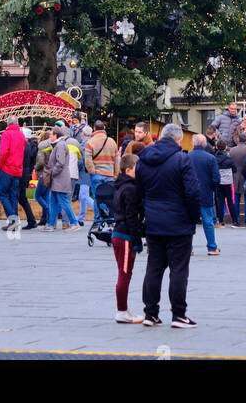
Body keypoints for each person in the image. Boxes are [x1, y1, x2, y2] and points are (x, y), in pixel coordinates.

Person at [135, 123, 201, 328]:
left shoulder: (143, 160)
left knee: (154, 267)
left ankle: (150, 313)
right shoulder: (182, 159)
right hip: (178, 221)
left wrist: (144, 214)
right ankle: (179, 314)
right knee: (178, 269)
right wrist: (193, 217)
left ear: (160, 137)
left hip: (154, 221)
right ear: (179, 140)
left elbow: (138, 192)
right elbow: (192, 192)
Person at [112, 153, 143, 323]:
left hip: (120, 233)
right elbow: (131, 216)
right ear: (129, 169)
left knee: (125, 273)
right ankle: (122, 311)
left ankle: (124, 310)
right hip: (124, 235)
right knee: (124, 274)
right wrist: (137, 240)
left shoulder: (120, 186)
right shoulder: (130, 188)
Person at [188, 134, 221, 254]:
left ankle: (188, 248)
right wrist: (210, 188)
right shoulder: (210, 158)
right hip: (206, 193)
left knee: (189, 221)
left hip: (189, 194)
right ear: (205, 144)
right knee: (208, 221)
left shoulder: (186, 157)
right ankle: (212, 247)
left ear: (193, 143)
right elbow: (216, 178)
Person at [45, 123, 79, 231]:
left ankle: (74, 222)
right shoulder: (59, 144)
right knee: (54, 201)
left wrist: (52, 173)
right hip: (58, 179)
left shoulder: (60, 145)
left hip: (59, 179)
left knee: (63, 201)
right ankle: (51, 224)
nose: (50, 136)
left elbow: (60, 163)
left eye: (51, 134)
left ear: (56, 135)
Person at [0, 115, 27, 232]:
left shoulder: (6, 134)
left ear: (8, 123)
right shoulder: (21, 135)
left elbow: (3, 152)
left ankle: (13, 221)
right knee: (14, 196)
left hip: (7, 168)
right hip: (17, 169)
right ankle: (14, 221)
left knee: (3, 195)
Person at [85, 119, 118, 216]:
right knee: (110, 198)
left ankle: (98, 220)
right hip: (109, 175)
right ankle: (110, 218)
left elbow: (87, 160)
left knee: (97, 198)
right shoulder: (112, 142)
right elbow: (117, 160)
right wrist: (115, 174)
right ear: (104, 128)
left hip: (97, 175)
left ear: (94, 129)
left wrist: (92, 171)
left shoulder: (90, 142)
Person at [18, 126, 39, 231]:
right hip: (26, 173)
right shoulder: (31, 146)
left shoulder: (25, 146)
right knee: (21, 198)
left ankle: (31, 220)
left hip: (22, 174)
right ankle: (31, 220)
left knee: (20, 197)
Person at [214, 139, 237, 227]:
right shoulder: (229, 158)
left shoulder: (214, 158)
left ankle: (220, 220)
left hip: (218, 182)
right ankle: (234, 220)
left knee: (220, 201)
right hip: (228, 182)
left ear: (217, 147)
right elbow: (234, 169)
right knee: (230, 201)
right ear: (225, 147)